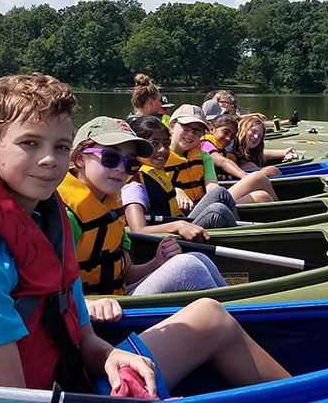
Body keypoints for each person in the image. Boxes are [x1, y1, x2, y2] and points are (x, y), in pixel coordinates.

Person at [0, 74, 289, 403]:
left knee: (211, 316)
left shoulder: (46, 220)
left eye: (58, 145)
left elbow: (85, 339)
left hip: (66, 374)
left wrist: (111, 357)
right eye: (30, 143)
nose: (49, 159)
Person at [60, 116, 229, 296]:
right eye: (110, 158)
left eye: (130, 163)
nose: (120, 169)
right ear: (79, 159)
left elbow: (126, 273)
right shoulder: (65, 217)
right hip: (90, 311)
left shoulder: (112, 207)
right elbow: (45, 293)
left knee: (197, 257)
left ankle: (230, 314)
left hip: (117, 297)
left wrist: (157, 262)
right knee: (188, 267)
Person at [125, 115, 238, 239]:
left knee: (220, 192)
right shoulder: (134, 185)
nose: (162, 149)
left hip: (178, 222)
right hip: (166, 240)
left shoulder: (155, 170)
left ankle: (242, 233)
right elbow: (138, 230)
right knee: (218, 211)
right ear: (137, 147)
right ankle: (243, 243)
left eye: (166, 144)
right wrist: (178, 226)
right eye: (154, 144)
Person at [168, 104, 278, 207]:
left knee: (261, 196)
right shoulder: (159, 156)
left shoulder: (204, 156)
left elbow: (212, 186)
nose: (191, 133)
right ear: (172, 126)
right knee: (258, 177)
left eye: (198, 130)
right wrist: (175, 190)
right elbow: (222, 161)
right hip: (183, 212)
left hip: (203, 206)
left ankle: (284, 219)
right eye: (186, 127)